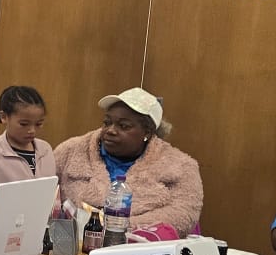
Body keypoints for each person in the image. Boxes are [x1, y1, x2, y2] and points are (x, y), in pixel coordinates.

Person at [52, 88, 203, 236]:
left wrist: (120, 228)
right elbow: (44, 191)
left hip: (138, 251)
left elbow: (183, 214)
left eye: (123, 126)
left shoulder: (181, 166)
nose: (111, 130)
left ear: (147, 133)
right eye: (107, 122)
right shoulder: (71, 151)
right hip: (69, 247)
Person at [0, 85, 57, 220]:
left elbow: (52, 190)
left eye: (38, 124)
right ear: (4, 117)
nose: (32, 130)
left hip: (36, 229)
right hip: (0, 229)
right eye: (24, 124)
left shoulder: (46, 150)